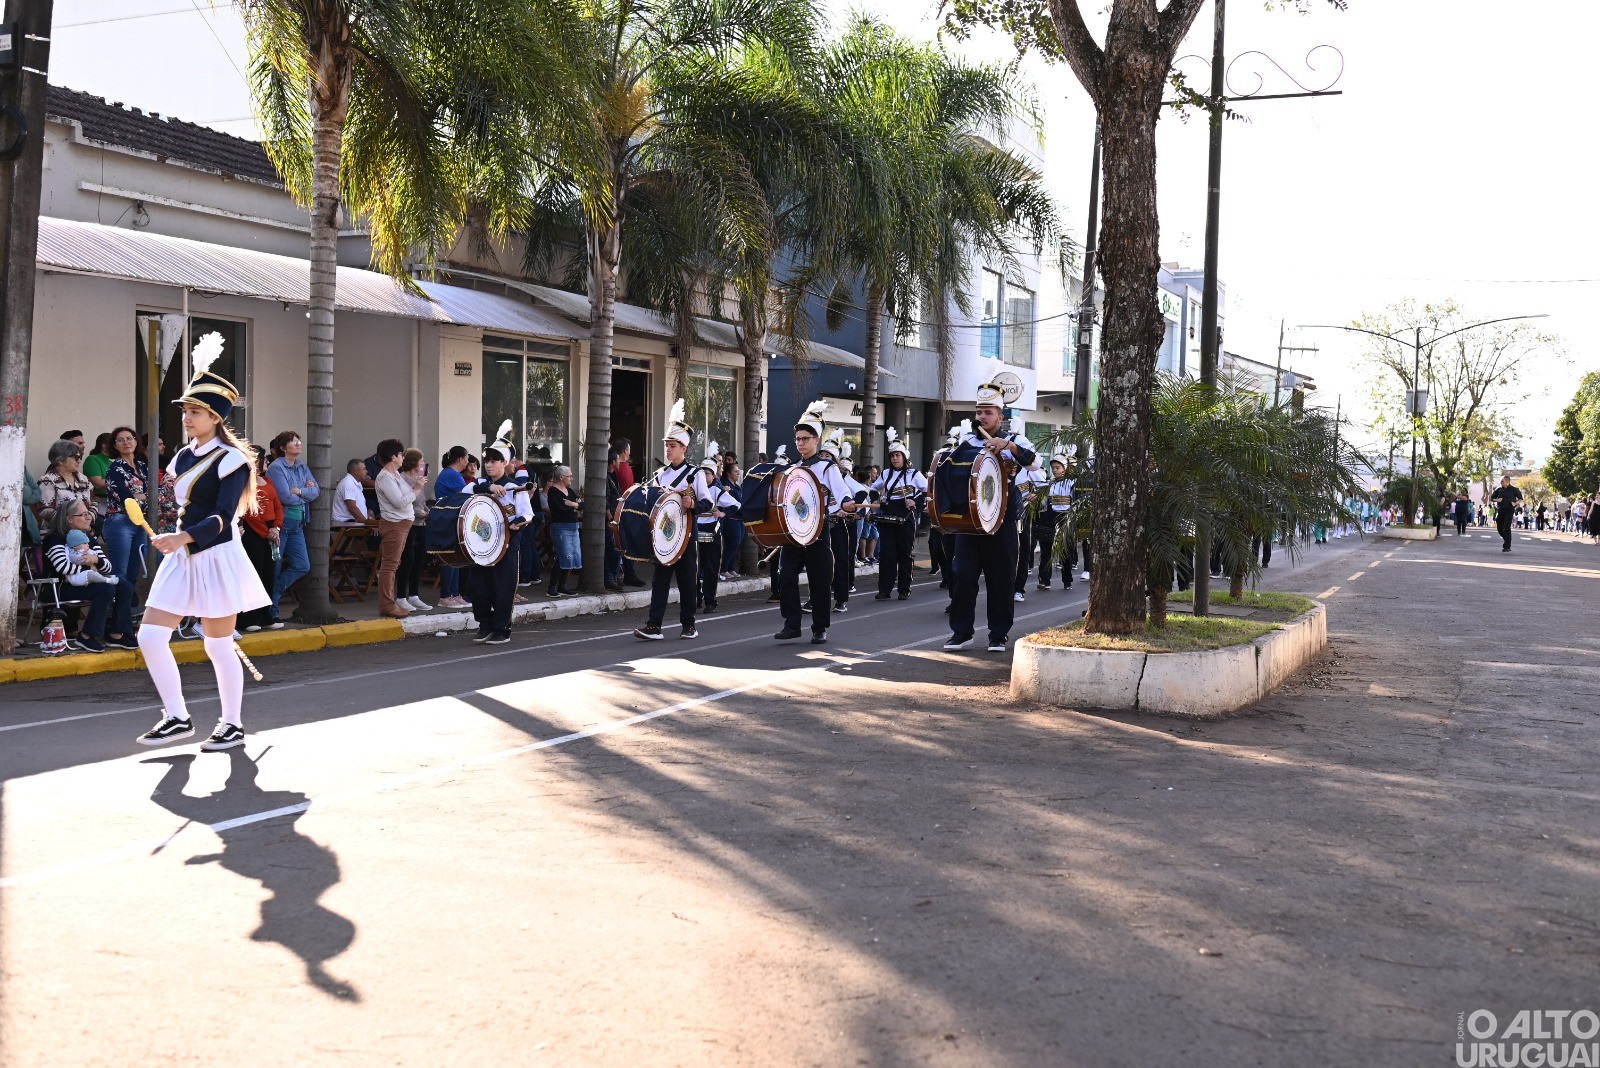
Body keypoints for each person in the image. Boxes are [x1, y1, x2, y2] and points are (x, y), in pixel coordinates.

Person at [134, 334, 273, 751]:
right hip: (183, 556)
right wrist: (170, 532)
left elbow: (221, 519)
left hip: (216, 557)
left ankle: (231, 724)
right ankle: (177, 716)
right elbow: (183, 506)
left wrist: (181, 537)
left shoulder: (232, 459)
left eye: (195, 412)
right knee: (150, 637)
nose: (186, 417)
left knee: (216, 644)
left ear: (215, 418)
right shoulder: (182, 456)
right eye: (186, 411)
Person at [944, 379, 1038, 652]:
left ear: (1000, 415)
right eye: (978, 412)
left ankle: (998, 634)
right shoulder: (966, 441)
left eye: (988, 412)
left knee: (1001, 578)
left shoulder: (1016, 440)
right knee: (962, 576)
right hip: (970, 520)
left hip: (1003, 519)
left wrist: (1008, 447)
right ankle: (961, 632)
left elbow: (1035, 463)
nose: (982, 417)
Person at [772, 400, 855, 645]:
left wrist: (847, 502)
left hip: (818, 532)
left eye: (805, 439)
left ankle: (819, 627)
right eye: (798, 439)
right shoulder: (792, 469)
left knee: (819, 581)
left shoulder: (827, 467)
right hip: (793, 534)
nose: (800, 443)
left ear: (816, 440)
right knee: (785, 577)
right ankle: (792, 624)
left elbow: (841, 492)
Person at [633, 401, 715, 641]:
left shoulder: (696, 474)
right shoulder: (660, 475)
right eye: (667, 446)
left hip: (686, 536)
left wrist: (693, 505)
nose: (668, 450)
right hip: (664, 536)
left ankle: (689, 625)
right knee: (660, 582)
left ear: (684, 448)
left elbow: (708, 504)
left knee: (688, 581)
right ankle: (654, 626)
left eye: (672, 446)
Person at [466, 429, 533, 644]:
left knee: (502, 587)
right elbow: (465, 490)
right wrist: (488, 486)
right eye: (488, 461)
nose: (489, 465)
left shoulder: (515, 487)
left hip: (506, 543)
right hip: (480, 544)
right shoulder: (478, 485)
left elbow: (527, 514)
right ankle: (484, 625)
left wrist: (516, 522)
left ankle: (501, 629)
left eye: (495, 461)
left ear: (505, 463)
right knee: (478, 587)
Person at [101, 426, 153, 648]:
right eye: (120, 440)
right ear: (115, 445)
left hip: (139, 524)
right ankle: (117, 631)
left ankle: (120, 628)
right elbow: (126, 499)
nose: (125, 442)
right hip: (120, 523)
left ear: (136, 441)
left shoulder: (142, 467)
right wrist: (140, 496)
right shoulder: (114, 468)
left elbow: (154, 495)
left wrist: (142, 496)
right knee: (120, 576)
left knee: (131, 577)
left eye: (129, 438)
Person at [44, 500, 117, 651]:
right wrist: (89, 565)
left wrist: (95, 560)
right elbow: (62, 567)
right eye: (83, 514)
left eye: (88, 514)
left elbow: (108, 567)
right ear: (69, 519)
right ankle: (86, 636)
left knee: (124, 585)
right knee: (106, 590)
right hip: (61, 588)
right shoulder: (56, 538)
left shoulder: (88, 538)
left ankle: (118, 633)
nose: (88, 518)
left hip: (85, 583)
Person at [265, 430, 317, 618]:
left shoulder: (302, 466)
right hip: (282, 524)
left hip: (299, 524)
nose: (298, 444)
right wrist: (305, 493)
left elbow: (316, 491)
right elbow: (284, 496)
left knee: (302, 565)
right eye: (293, 441)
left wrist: (300, 492)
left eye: (298, 441)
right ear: (282, 447)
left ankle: (275, 593)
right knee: (275, 567)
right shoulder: (276, 468)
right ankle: (272, 610)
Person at [870, 428, 927, 601]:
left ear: (904, 456)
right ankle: (885, 589)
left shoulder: (914, 474)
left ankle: (904, 589)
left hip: (906, 514)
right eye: (892, 456)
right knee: (886, 553)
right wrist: (874, 500)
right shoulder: (886, 473)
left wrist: (915, 502)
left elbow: (928, 491)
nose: (895, 458)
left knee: (904, 553)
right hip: (888, 512)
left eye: (898, 455)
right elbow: (874, 488)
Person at [239, 451, 284, 632]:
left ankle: (266, 615)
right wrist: (267, 533)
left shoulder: (268, 481)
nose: (266, 462)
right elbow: (249, 513)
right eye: (264, 459)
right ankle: (248, 618)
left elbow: (278, 506)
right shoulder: (244, 484)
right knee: (254, 575)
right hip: (253, 533)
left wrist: (276, 527)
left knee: (268, 574)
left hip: (271, 530)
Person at [692, 442, 739, 614]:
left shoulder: (717, 492)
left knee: (712, 568)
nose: (704, 477)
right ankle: (695, 598)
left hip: (713, 532)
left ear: (713, 476)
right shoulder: (692, 491)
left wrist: (723, 513)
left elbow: (736, 505)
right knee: (694, 568)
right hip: (695, 532)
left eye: (707, 473)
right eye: (702, 473)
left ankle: (710, 601)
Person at [371, 439, 413, 618]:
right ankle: (387, 605)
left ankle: (390, 602)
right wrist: (417, 489)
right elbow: (399, 502)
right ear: (393, 456)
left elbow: (403, 495)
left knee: (393, 564)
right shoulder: (385, 477)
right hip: (394, 524)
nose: (403, 457)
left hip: (402, 523)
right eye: (401, 454)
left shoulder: (395, 474)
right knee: (389, 565)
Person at [433, 446, 471, 608]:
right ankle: (445, 596)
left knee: (456, 557)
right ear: (461, 459)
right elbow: (467, 495)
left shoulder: (452, 474)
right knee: (449, 557)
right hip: (447, 519)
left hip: (452, 519)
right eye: (467, 458)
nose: (468, 462)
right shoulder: (451, 474)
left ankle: (455, 594)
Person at [397, 449, 433, 612]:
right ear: (413, 462)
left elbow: (421, 500)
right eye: (421, 460)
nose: (423, 463)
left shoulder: (419, 479)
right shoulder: (402, 479)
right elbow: (406, 501)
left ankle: (414, 595)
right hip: (409, 523)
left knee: (419, 559)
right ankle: (400, 596)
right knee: (407, 559)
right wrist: (420, 512)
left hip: (421, 524)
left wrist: (427, 510)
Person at [1037, 453, 1075, 590]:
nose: (1054, 470)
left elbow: (1074, 500)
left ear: (1064, 468)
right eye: (1053, 468)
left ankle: (1067, 580)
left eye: (1057, 467)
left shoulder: (1072, 482)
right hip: (1050, 515)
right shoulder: (1049, 483)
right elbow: (1044, 502)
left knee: (1065, 548)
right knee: (1046, 548)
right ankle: (1044, 580)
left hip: (1066, 515)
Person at [1012, 458, 1048, 602]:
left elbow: (1043, 486)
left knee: (1023, 549)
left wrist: (1035, 495)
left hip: (1023, 512)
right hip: (1000, 513)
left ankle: (1019, 588)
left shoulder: (1026, 466)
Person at [37, 439, 94, 528]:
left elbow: (94, 502)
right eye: (76, 457)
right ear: (61, 460)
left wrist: (88, 519)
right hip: (57, 531)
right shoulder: (48, 481)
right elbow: (45, 510)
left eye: (79, 457)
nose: (79, 461)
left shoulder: (83, 479)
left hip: (84, 529)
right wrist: (72, 524)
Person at [545, 464, 581, 596]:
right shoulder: (553, 491)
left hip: (573, 527)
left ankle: (562, 585)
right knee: (562, 555)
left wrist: (573, 505)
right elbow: (560, 509)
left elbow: (582, 504)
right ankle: (552, 586)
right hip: (561, 527)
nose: (571, 478)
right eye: (569, 476)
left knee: (571, 556)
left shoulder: (570, 491)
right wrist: (575, 507)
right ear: (561, 477)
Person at [613, 437, 644, 587]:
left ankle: (626, 573)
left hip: (622, 507)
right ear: (626, 451)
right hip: (625, 508)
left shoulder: (621, 467)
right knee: (626, 543)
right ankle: (627, 573)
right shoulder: (624, 468)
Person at [718, 456, 745, 579]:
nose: (737, 473)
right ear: (728, 473)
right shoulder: (725, 486)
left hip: (740, 519)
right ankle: (724, 568)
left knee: (737, 544)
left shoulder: (737, 486)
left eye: (738, 471)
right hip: (731, 519)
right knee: (732, 544)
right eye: (735, 471)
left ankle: (731, 568)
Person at [604, 448, 625, 591]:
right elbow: (605, 499)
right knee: (611, 550)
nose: (620, 462)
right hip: (611, 518)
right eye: (618, 460)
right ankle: (609, 577)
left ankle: (615, 575)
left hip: (617, 516)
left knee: (617, 549)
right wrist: (610, 518)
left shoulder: (614, 476)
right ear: (613, 462)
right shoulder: (605, 478)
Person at [82, 431, 115, 515]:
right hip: (100, 501)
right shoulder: (93, 459)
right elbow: (98, 483)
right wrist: (120, 480)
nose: (105, 446)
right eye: (104, 443)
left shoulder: (114, 460)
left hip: (115, 501)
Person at [332, 459, 372, 527]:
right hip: (345, 522)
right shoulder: (348, 483)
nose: (366, 471)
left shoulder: (355, 483)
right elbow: (352, 507)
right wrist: (367, 524)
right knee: (376, 535)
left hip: (354, 521)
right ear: (356, 472)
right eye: (364, 469)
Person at [1490, 475, 1523, 553]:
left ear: (1508, 482)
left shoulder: (1514, 490)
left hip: (1509, 510)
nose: (1501, 482)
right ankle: (1507, 539)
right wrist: (1497, 500)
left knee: (1507, 526)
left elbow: (1521, 499)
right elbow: (1492, 498)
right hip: (1501, 510)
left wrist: (1515, 503)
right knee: (1499, 526)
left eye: (1502, 481)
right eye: (1501, 481)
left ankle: (1507, 546)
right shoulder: (1498, 489)